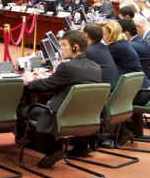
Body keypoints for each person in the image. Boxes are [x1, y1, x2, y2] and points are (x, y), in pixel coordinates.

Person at [18, 30, 102, 165]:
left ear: (75, 47)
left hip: (60, 115)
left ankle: (51, 149)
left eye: (63, 45)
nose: (61, 49)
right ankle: (72, 145)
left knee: (22, 111)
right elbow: (62, 82)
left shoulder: (66, 66)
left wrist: (30, 80)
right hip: (85, 116)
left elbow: (45, 85)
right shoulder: (96, 67)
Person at [83, 23, 120, 90]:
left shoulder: (88, 51)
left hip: (105, 92)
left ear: (86, 35)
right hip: (112, 89)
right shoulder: (103, 47)